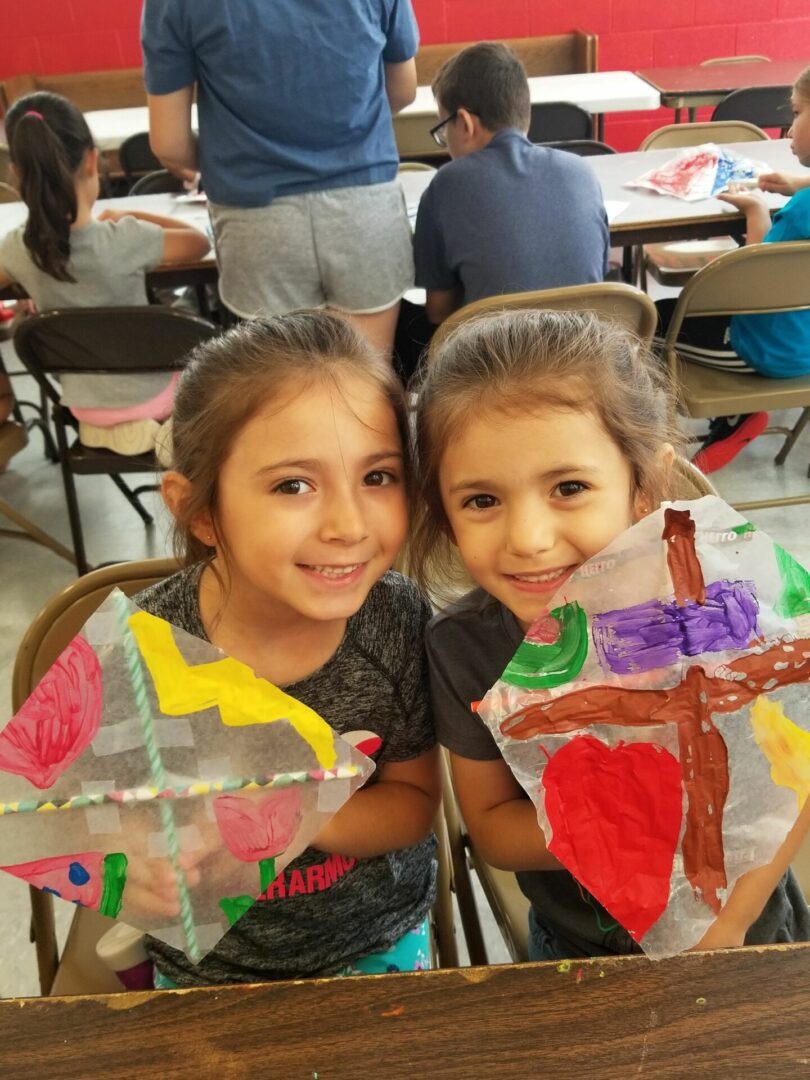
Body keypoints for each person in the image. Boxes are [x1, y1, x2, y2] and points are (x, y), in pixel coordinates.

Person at [410, 307, 810, 961]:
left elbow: (795, 774)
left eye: (569, 487)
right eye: (481, 500)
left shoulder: (725, 606)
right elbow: (492, 830)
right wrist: (627, 817)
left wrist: (730, 925)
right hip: (578, 946)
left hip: (749, 933)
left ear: (642, 485)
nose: (529, 539)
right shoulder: (465, 649)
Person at [133, 311, 439, 986]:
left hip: (372, 942)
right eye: (292, 485)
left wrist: (300, 817)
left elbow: (416, 803)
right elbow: (104, 820)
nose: (347, 524)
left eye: (378, 476)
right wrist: (140, 873)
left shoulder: (396, 625)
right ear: (202, 513)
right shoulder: (149, 644)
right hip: (205, 966)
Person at [141, 0, 419, 356]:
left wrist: (227, 160)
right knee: (367, 377)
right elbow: (403, 89)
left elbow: (169, 143)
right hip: (364, 203)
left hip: (255, 215)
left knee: (282, 391)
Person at [0, 92, 210, 457]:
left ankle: (107, 429)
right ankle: (164, 428)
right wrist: (132, 218)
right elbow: (198, 243)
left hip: (83, 405)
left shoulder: (19, 249)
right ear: (92, 160)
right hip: (155, 395)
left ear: (17, 172)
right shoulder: (125, 238)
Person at [657, 65, 810, 474]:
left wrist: (756, 210)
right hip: (805, 345)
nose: (789, 129)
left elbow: (751, 288)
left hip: (766, 351)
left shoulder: (800, 215)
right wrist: (798, 184)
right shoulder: (804, 199)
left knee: (650, 324)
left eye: (796, 113)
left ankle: (738, 415)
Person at [412, 42, 609, 328]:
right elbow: (595, 274)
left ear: (465, 123)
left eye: (444, 130)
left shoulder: (447, 183)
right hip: (582, 358)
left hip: (495, 364)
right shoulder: (582, 172)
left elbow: (438, 313)